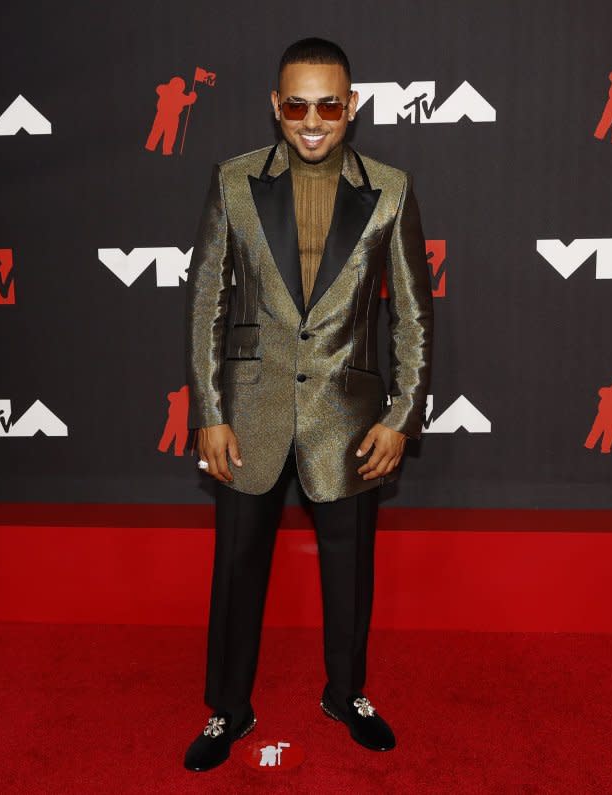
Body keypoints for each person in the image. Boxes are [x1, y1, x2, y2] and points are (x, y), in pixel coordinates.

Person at [182, 36, 433, 772]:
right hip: (250, 411)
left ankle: (346, 692)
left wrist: (400, 413)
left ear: (352, 107)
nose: (313, 120)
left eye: (329, 104)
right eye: (297, 104)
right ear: (276, 107)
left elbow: (414, 315)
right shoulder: (233, 182)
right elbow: (206, 303)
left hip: (349, 417)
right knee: (235, 569)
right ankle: (229, 708)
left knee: (351, 569)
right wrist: (209, 408)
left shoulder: (389, 187)